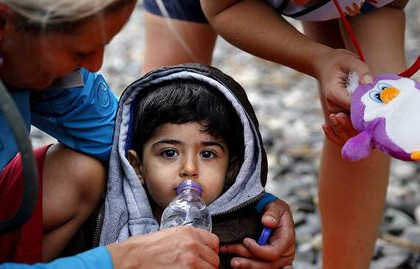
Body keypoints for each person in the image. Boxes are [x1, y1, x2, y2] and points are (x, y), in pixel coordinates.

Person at [0, 0, 221, 268]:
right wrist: (124, 260)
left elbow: (123, 140)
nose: (95, 65)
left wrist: (253, 202)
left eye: (102, 46)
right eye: (79, 52)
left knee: (80, 171)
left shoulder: (22, 49)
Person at [142, 0, 409, 268]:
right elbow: (226, 8)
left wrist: (380, 111)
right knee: (163, 113)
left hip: (347, 6)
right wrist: (317, 58)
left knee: (366, 120)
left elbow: (381, 83)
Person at [99, 63, 295, 269]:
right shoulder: (112, 217)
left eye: (207, 154)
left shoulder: (249, 232)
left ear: (231, 170)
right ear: (137, 167)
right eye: (169, 153)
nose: (189, 169)